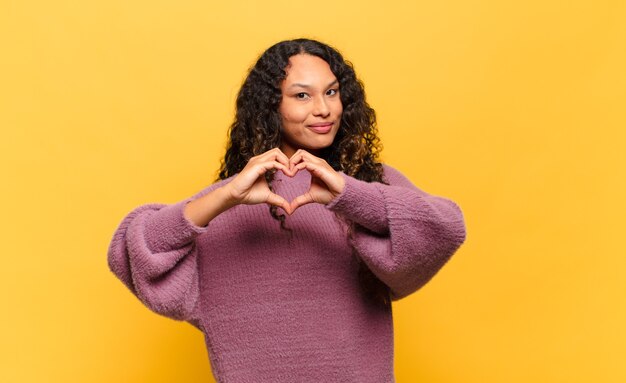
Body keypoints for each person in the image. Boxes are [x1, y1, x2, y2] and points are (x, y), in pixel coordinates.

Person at [108, 38, 466, 382]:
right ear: (270, 107)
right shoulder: (229, 201)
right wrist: (225, 196)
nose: (324, 109)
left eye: (331, 91)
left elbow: (445, 227)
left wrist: (347, 193)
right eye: (301, 96)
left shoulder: (365, 184)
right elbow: (134, 250)